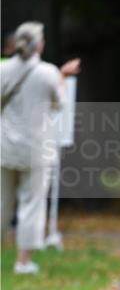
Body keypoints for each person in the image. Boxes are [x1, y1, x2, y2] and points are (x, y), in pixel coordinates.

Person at [1, 22, 79, 274]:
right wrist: (63, 76)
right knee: (32, 204)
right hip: (36, 147)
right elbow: (59, 103)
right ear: (39, 45)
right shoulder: (48, 73)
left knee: (2, 203)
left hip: (4, 146)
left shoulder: (3, 70)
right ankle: (23, 261)